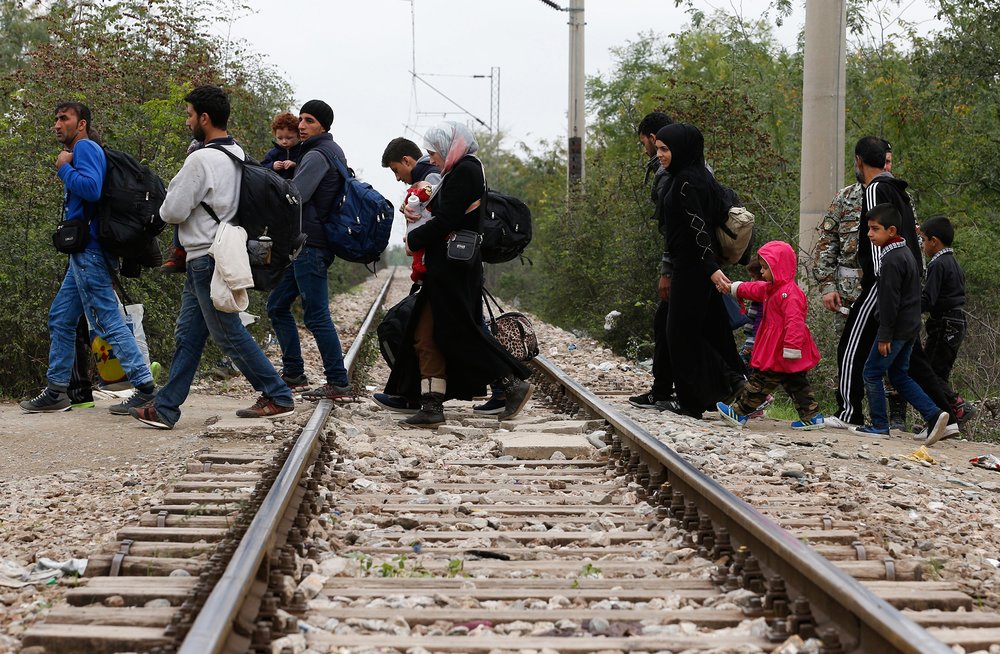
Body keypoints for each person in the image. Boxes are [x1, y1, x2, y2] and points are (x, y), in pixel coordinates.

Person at [129, 85, 294, 429]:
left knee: (227, 333)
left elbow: (172, 211)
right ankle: (166, 407)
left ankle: (277, 394)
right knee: (188, 335)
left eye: (189, 114)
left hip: (205, 256)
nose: (187, 120)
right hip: (215, 252)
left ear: (204, 118)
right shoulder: (237, 152)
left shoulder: (201, 159)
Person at [382, 121, 533, 428]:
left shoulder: (466, 170)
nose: (432, 160)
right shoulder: (458, 170)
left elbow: (448, 218)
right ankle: (431, 403)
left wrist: (415, 238)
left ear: (449, 147)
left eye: (433, 153)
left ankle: (511, 382)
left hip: (454, 269)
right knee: (425, 335)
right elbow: (446, 214)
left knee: (460, 332)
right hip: (445, 268)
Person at [21, 102, 156, 415]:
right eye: (55, 118)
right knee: (61, 317)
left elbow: (92, 189)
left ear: (80, 124)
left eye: (63, 118)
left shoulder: (85, 148)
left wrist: (63, 167)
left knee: (106, 319)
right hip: (83, 252)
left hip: (91, 250)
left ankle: (145, 387)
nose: (57, 124)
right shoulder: (83, 148)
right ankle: (57, 391)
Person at [653, 122, 746, 418]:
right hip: (696, 267)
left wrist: (710, 269)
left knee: (680, 335)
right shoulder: (698, 177)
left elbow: (699, 228)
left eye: (665, 149)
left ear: (680, 150)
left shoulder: (684, 183)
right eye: (658, 149)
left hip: (692, 269)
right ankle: (731, 387)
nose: (660, 155)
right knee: (709, 331)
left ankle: (706, 396)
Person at [265, 100, 352, 401]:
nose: (301, 125)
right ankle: (293, 373)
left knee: (315, 315)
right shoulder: (332, 150)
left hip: (310, 243)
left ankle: (338, 382)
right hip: (310, 242)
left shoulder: (317, 154)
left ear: (324, 126)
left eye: (309, 120)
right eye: (301, 119)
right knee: (276, 305)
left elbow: (295, 195)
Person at [850, 203, 949, 443]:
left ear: (891, 230)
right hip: (908, 328)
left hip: (894, 331)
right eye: (868, 229)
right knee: (899, 375)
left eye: (875, 229)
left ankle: (880, 425)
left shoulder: (892, 260)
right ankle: (934, 415)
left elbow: (889, 302)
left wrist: (884, 335)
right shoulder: (906, 253)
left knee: (871, 373)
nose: (870, 234)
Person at [716, 240, 824, 430]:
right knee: (796, 384)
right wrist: (733, 287)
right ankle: (812, 416)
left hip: (782, 349)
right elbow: (752, 288)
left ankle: (739, 412)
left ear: (779, 267)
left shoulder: (790, 294)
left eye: (766, 267)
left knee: (760, 380)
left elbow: (795, 323)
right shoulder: (770, 289)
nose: (763, 272)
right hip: (777, 349)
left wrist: (792, 347)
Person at [628, 111, 677, 410]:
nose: (651, 151)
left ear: (651, 136)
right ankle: (661, 390)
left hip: (688, 267)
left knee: (671, 326)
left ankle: (736, 387)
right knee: (669, 325)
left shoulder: (672, 176)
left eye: (657, 147)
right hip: (697, 265)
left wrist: (666, 270)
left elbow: (674, 227)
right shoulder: (686, 171)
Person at [916, 215, 973, 441]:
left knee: (929, 373)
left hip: (945, 324)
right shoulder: (953, 262)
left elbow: (928, 299)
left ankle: (956, 408)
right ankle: (940, 420)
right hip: (956, 322)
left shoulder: (938, 264)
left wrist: (907, 308)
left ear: (934, 241)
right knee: (937, 372)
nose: (922, 245)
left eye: (923, 240)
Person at [260, 111, 303, 180]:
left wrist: (294, 164)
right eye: (280, 138)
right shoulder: (272, 153)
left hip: (297, 187)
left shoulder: (302, 151)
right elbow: (261, 168)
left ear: (298, 135)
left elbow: (306, 167)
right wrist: (272, 166)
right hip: (276, 187)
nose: (284, 141)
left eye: (289, 138)